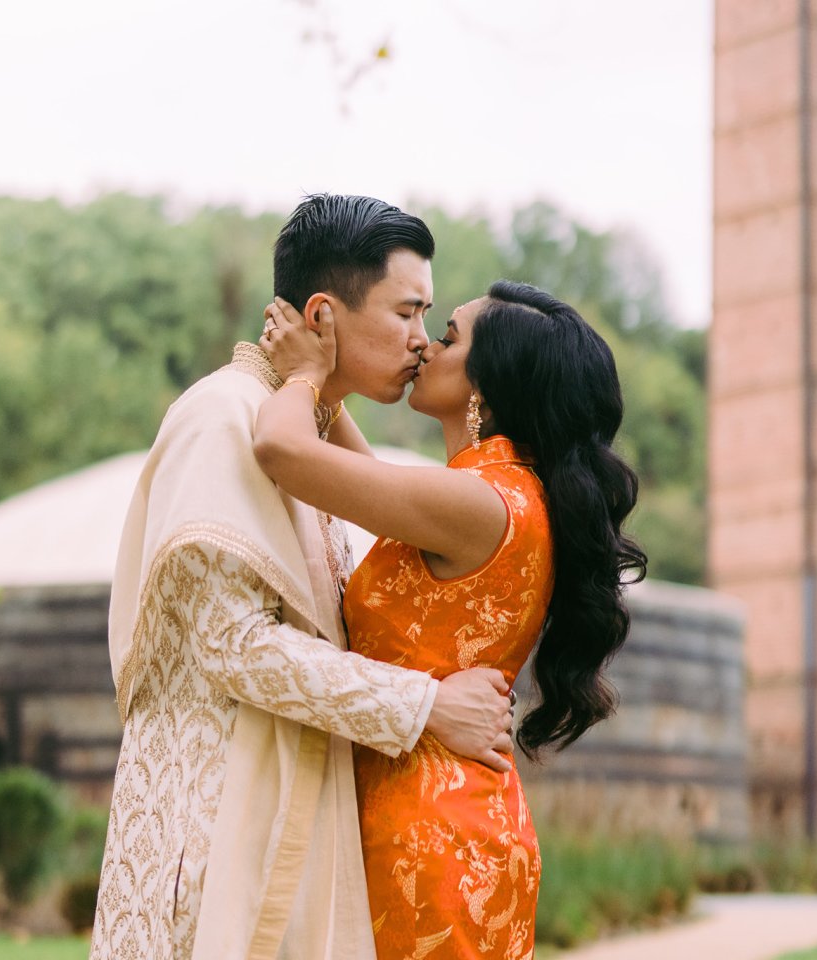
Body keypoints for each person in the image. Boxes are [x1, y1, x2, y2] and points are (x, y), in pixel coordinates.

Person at [90, 195, 517, 960]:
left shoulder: (296, 431)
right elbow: (233, 646)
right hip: (213, 842)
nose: (423, 342)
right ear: (323, 315)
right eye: (408, 314)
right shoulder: (221, 419)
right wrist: (425, 707)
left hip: (282, 828)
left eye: (429, 320)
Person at [255, 280, 647, 960]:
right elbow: (358, 478)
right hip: (450, 817)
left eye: (449, 336)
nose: (424, 343)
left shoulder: (476, 502)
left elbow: (284, 454)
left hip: (426, 836)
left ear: (486, 388)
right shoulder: (503, 495)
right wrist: (330, 373)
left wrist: (307, 374)